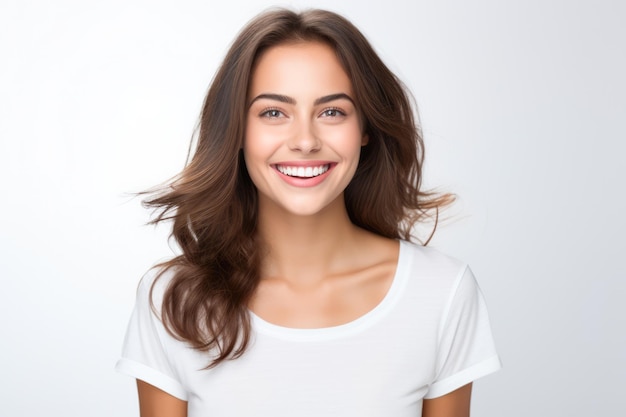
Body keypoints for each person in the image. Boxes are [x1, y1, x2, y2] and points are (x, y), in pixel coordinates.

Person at [116, 8, 501, 417]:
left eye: (332, 112)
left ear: (365, 129)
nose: (304, 141)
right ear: (237, 131)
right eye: (273, 113)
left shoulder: (441, 291)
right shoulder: (173, 297)